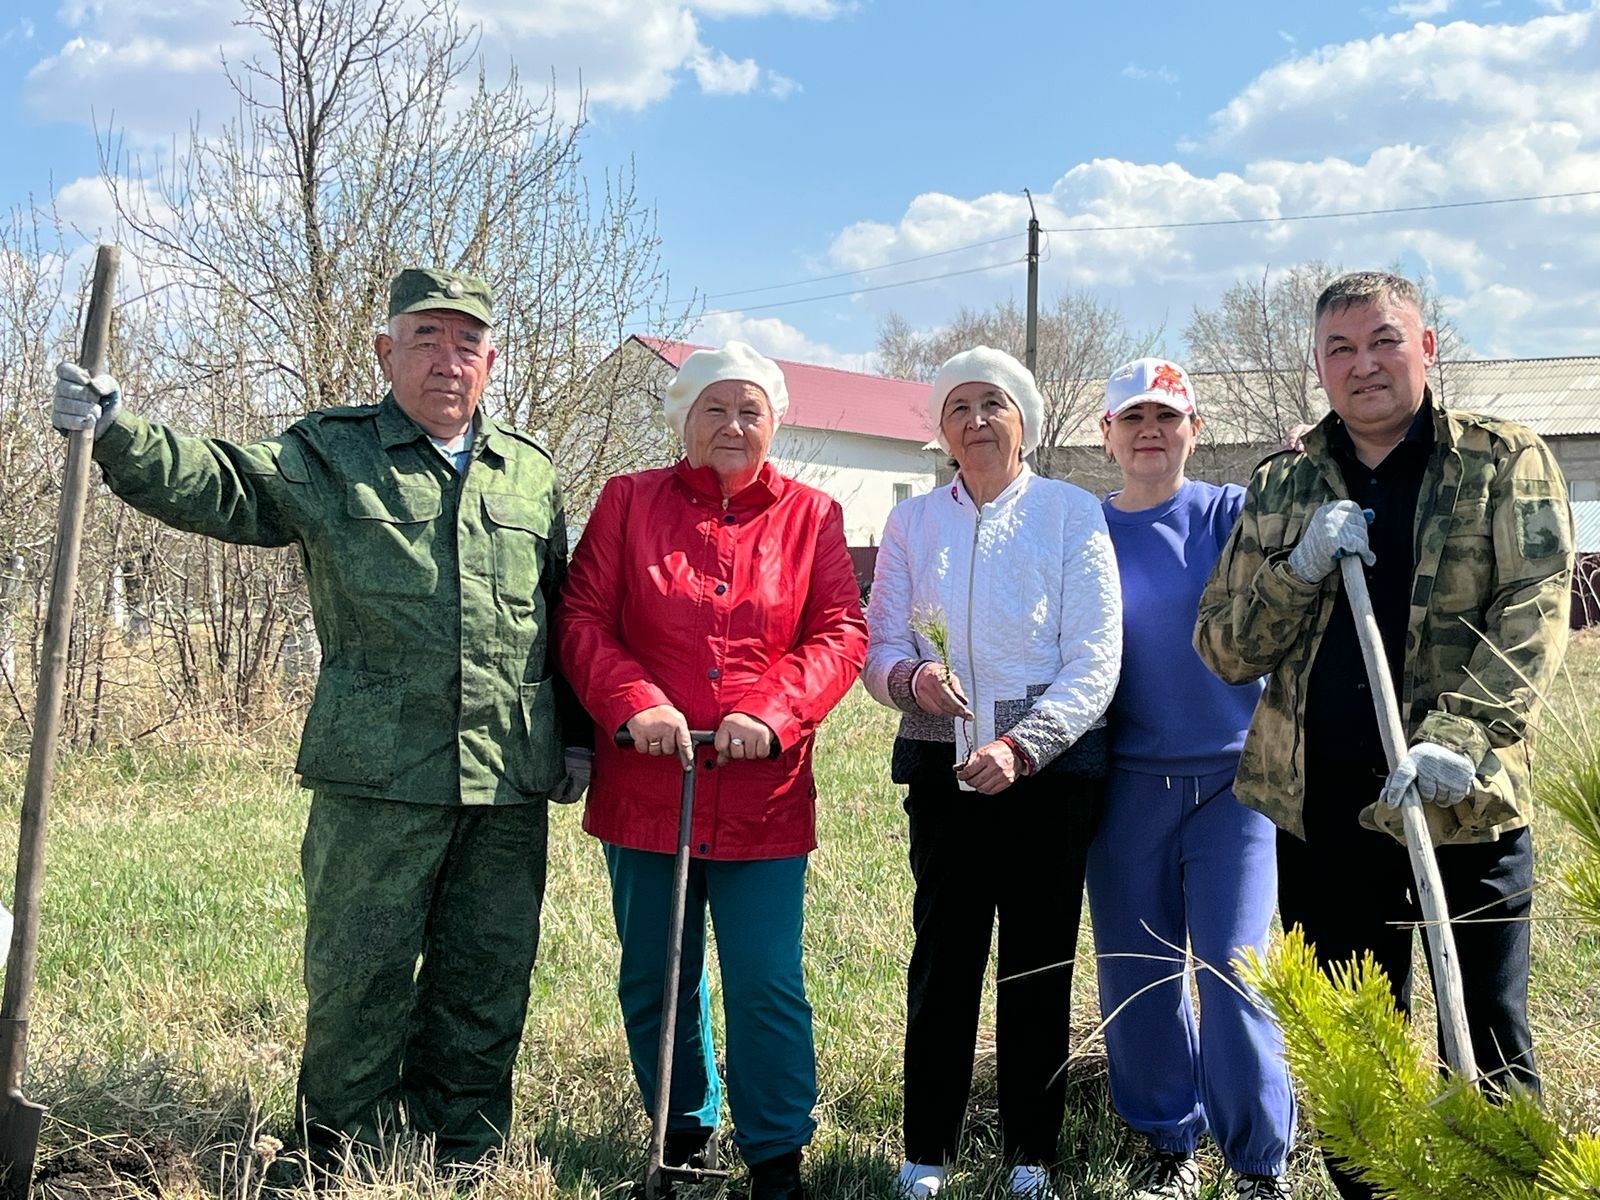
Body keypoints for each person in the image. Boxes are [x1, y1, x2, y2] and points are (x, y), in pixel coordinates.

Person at [52, 268, 579, 1167]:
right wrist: (117, 431)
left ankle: (463, 1147)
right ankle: (346, 1150)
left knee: (486, 976)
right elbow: (227, 484)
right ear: (386, 351)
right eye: (425, 339)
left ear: (491, 362)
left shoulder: (529, 473)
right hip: (377, 772)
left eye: (466, 344)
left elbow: (559, 612)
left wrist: (571, 738)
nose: (447, 361)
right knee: (360, 976)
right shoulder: (334, 455)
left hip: (505, 777)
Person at [1194, 272, 1574, 1199]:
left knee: (1483, 1042)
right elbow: (1224, 646)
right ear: (1318, 366)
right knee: (1352, 1058)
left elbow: (1538, 605)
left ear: (1427, 347)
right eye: (1341, 349)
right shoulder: (1285, 484)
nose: (1364, 365)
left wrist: (1464, 737)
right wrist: (1301, 565)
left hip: (1461, 807)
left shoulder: (1501, 461)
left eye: (1384, 341)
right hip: (1321, 808)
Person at [553, 341, 867, 1200]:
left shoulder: (812, 516)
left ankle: (776, 1153)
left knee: (766, 977)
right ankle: (679, 1131)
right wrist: (632, 703)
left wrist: (769, 713)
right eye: (715, 408)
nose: (733, 425)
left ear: (775, 424)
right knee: (658, 969)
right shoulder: (628, 502)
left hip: (762, 789)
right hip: (650, 785)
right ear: (683, 418)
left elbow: (839, 632)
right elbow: (583, 618)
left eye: (751, 410)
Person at [862, 347, 1122, 1200]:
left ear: (1027, 421)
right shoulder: (912, 525)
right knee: (944, 960)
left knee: (1037, 963)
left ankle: (1030, 1157)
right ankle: (926, 1153)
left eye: (995, 403)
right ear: (940, 429)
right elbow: (882, 648)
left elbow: (1095, 659)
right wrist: (911, 682)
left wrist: (1023, 746)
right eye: (959, 406)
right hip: (943, 767)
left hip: (1047, 774)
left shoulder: (1070, 513)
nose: (977, 419)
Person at [1085, 358, 1295, 1200]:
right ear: (1104, 434)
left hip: (1233, 785)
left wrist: (1304, 469)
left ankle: (1257, 1162)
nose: (1149, 430)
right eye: (1132, 416)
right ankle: (1170, 1144)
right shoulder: (1084, 530)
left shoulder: (1229, 514)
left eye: (1167, 416)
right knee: (1136, 973)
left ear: (1193, 430)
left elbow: (1293, 531)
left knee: (1233, 969)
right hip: (1125, 784)